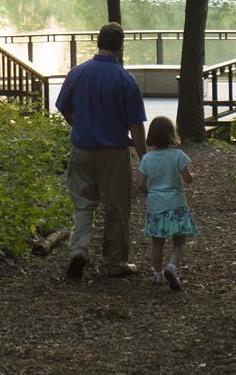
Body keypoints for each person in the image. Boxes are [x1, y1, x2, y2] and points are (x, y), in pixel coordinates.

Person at [55, 22, 147, 279]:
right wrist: (145, 160)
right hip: (113, 153)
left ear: (98, 43)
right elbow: (136, 126)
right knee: (115, 206)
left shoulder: (78, 72)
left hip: (81, 149)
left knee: (83, 204)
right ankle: (115, 261)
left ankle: (79, 250)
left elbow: (63, 106)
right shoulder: (125, 80)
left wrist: (77, 124)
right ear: (120, 46)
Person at [137, 116, 198, 291]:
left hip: (156, 205)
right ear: (172, 134)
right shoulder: (178, 156)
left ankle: (157, 274)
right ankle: (171, 267)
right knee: (179, 241)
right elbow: (187, 179)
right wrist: (193, 176)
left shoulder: (147, 159)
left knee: (158, 242)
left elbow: (141, 184)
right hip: (176, 204)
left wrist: (151, 194)